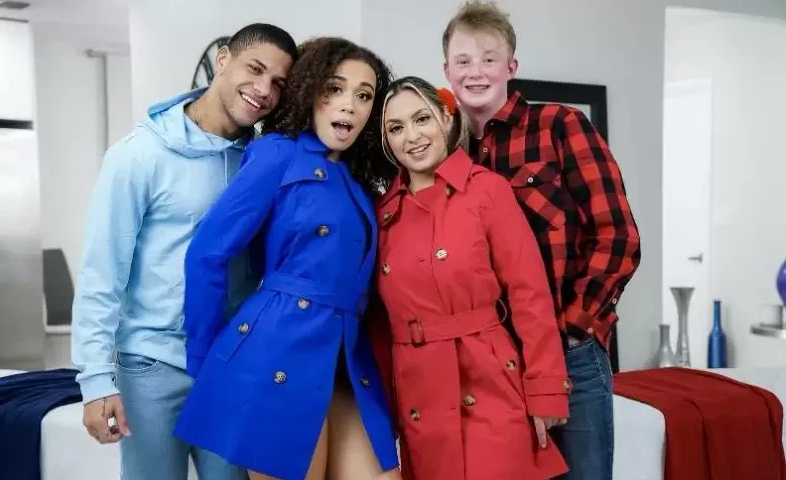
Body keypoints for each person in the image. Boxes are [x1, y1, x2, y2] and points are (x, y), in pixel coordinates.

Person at [70, 23, 297, 480]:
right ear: (223, 60)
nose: (263, 90)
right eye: (255, 69)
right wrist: (94, 380)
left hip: (230, 362)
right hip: (151, 366)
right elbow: (101, 273)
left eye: (278, 83)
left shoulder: (265, 160)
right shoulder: (138, 155)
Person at [172, 37, 402, 480]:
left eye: (364, 95)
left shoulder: (358, 180)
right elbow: (207, 253)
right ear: (310, 91)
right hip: (277, 349)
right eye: (335, 88)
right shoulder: (278, 153)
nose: (349, 105)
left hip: (346, 359)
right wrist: (205, 359)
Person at [441, 2, 643, 479]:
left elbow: (618, 236)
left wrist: (573, 329)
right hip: (492, 366)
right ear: (446, 71)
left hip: (570, 357)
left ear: (511, 67)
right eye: (463, 61)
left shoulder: (560, 126)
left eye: (489, 59)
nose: (476, 72)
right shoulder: (445, 153)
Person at [372, 76, 570, 480]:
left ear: (446, 119)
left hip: (489, 380)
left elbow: (530, 294)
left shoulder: (487, 191)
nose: (412, 136)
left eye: (422, 119)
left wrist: (546, 390)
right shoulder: (383, 214)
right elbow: (377, 321)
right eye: (396, 128)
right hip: (419, 392)